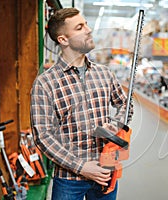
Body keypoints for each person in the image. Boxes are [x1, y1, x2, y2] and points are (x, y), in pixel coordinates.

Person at [30, 8, 133, 200]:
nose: (89, 29)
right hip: (69, 179)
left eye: (86, 24)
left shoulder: (104, 73)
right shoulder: (45, 83)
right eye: (80, 27)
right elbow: (43, 136)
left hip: (105, 171)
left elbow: (125, 105)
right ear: (63, 40)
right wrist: (81, 167)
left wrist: (115, 125)